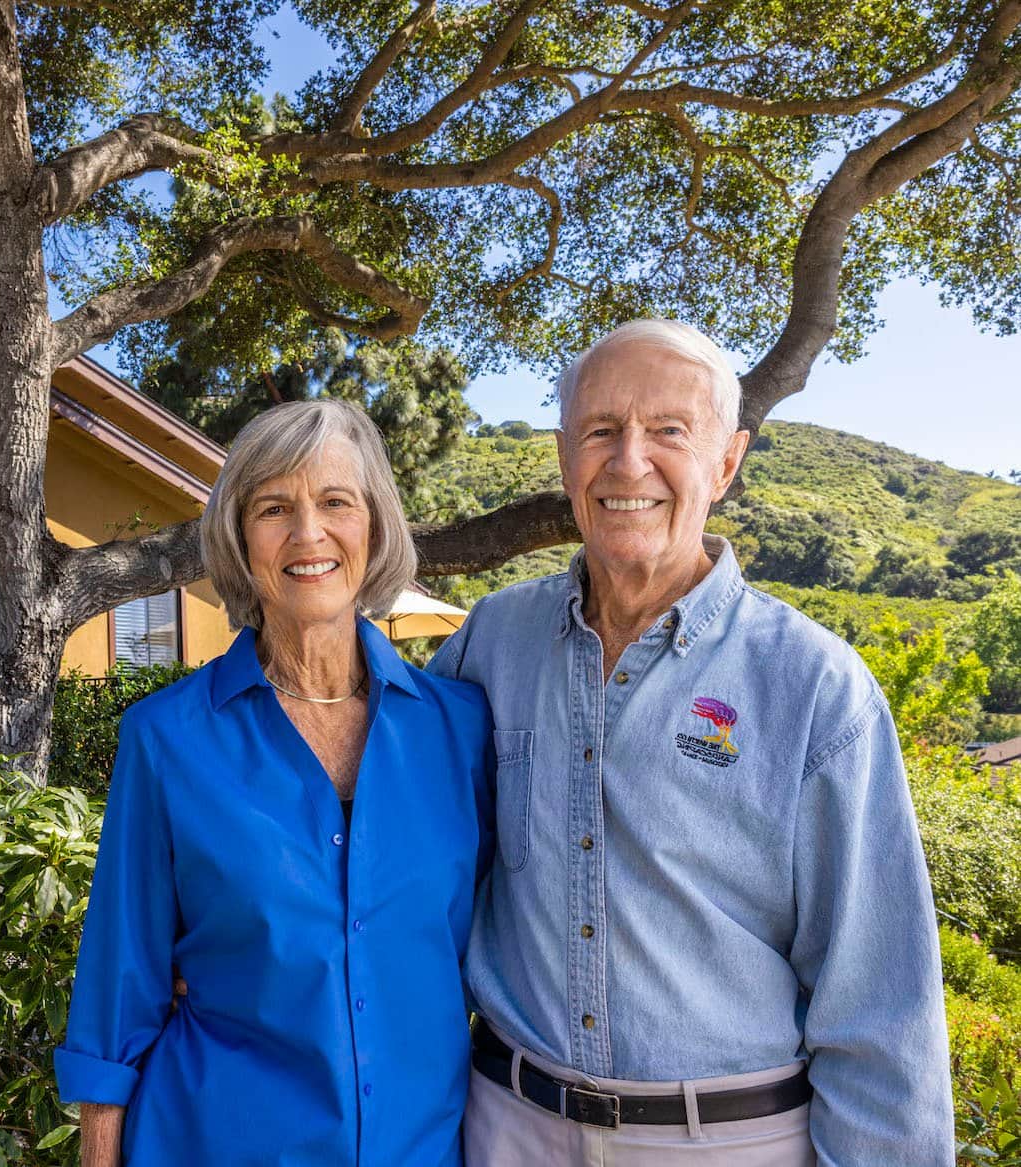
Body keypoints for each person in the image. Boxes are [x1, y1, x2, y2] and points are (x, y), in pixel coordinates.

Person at [431, 319, 953, 1165]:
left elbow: (881, 1004)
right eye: (600, 430)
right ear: (566, 459)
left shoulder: (816, 686)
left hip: (728, 1142)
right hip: (507, 1129)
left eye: (669, 431)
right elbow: (396, 834)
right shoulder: (490, 640)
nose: (628, 461)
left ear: (727, 461)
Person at [54, 399, 493, 1166]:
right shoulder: (167, 739)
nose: (308, 534)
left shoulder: (458, 727)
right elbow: (118, 983)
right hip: (215, 1140)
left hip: (420, 1146)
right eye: (274, 508)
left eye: (335, 502)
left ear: (375, 527)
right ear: (239, 537)